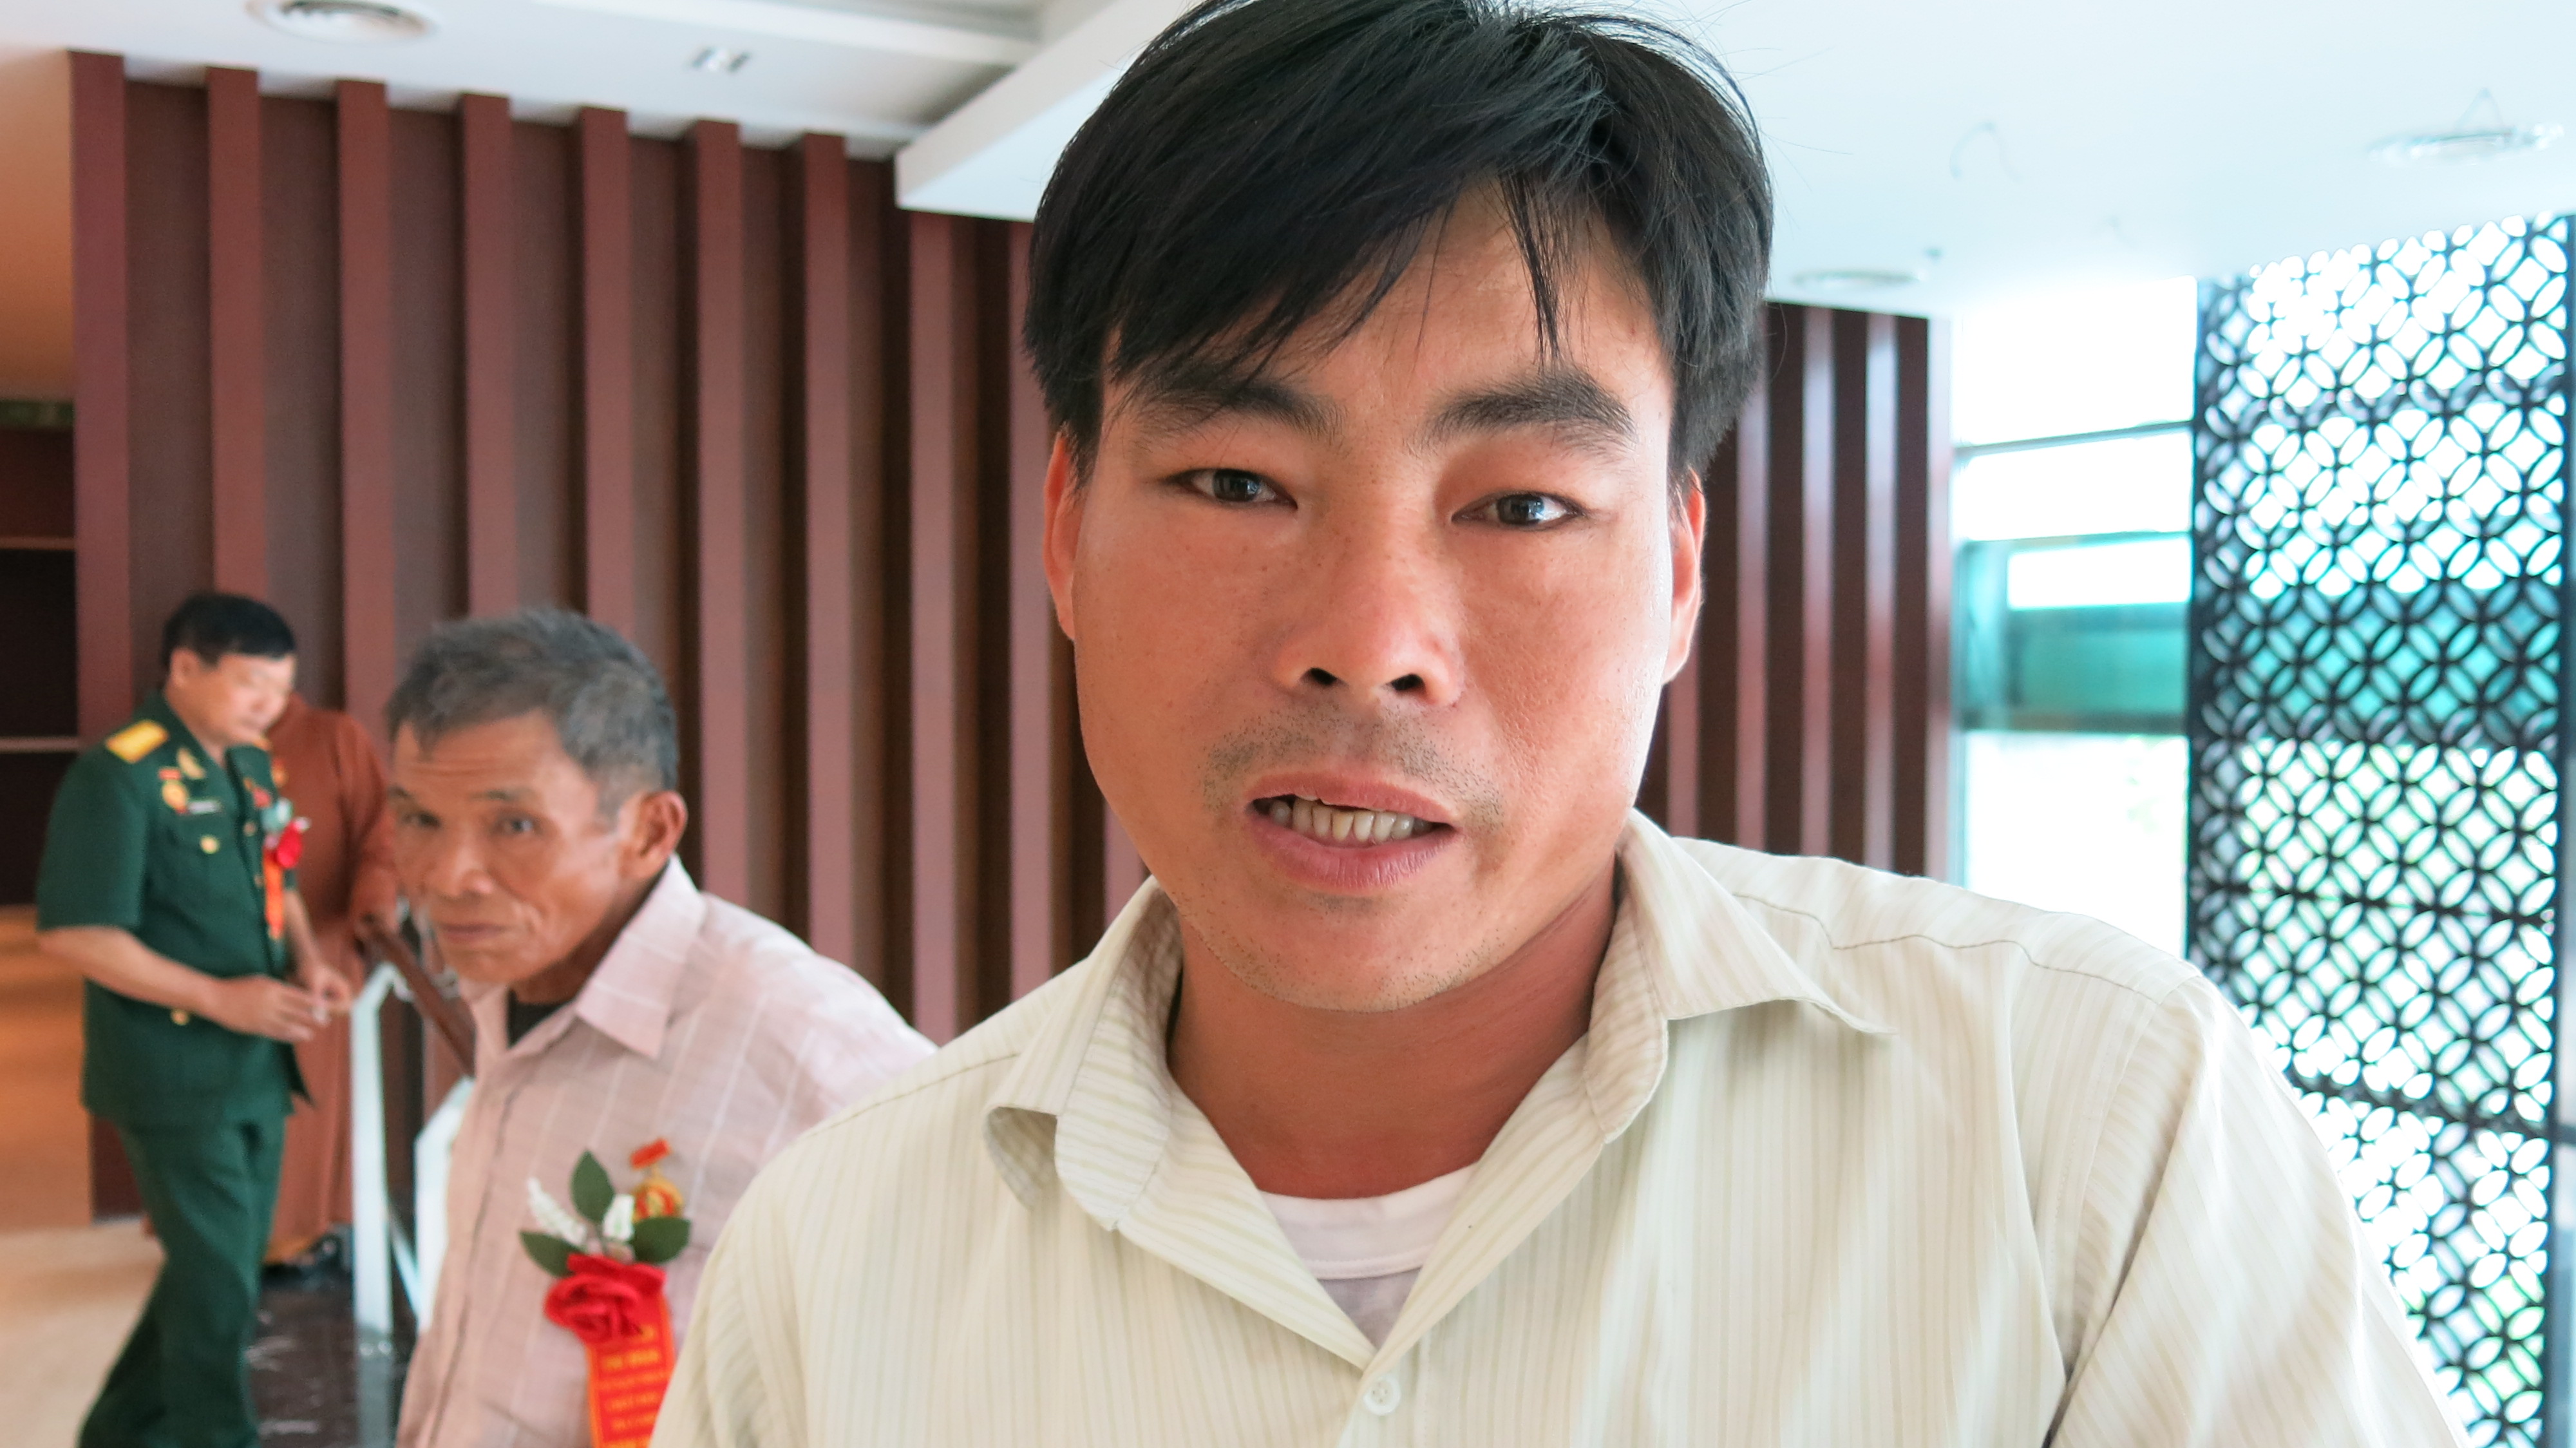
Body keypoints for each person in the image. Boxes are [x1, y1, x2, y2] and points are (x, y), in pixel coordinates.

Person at [659, 1, 2461, 1443]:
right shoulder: (832, 1265)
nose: (1370, 646)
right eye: (1236, 481)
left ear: (1674, 570)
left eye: (1521, 505)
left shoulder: (2087, 1126)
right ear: (1066, 529)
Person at [388, 608, 931, 1448]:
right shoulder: (506, 980)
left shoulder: (793, 1028)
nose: (448, 875)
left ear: (648, 832)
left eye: (514, 825)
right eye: (419, 819)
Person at [40, 593, 350, 1448]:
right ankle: (219, 1437)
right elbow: (76, 933)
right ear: (185, 668)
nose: (270, 707)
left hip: (256, 1064)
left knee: (220, 1269)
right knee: (218, 1281)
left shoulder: (250, 764)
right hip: (171, 1068)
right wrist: (220, 998)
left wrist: (309, 961)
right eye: (251, 685)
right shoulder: (120, 774)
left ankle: (119, 1430)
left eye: (280, 690)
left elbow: (277, 873)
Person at [262, 689, 401, 1266]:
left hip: (320, 950)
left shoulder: (333, 737)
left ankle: (296, 1238)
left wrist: (372, 908)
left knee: (308, 1103)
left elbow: (381, 835)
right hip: (219, 955)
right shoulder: (194, 747)